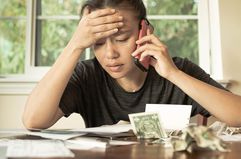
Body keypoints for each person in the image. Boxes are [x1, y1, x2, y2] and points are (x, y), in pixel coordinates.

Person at [22, 0, 241, 129]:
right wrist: (74, 46)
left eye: (121, 39)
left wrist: (173, 75)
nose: (110, 54)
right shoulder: (87, 75)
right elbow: (33, 121)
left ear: (145, 31)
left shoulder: (178, 70)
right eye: (97, 42)